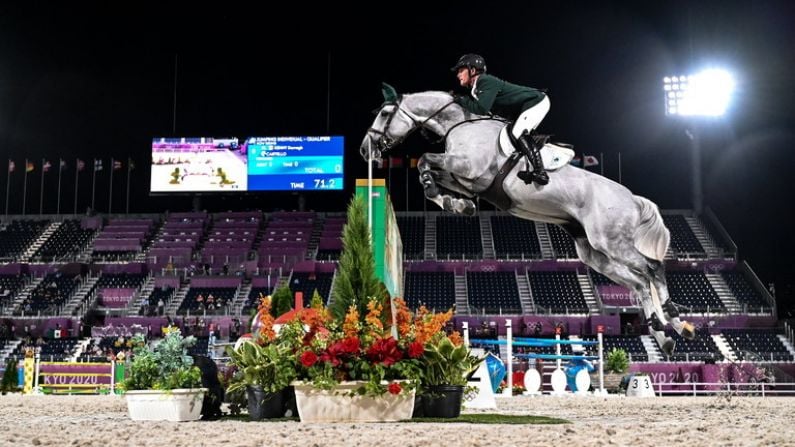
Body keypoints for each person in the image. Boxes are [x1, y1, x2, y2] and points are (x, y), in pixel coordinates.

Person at [451, 53, 550, 185]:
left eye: (461, 70)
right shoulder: (476, 89)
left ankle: (540, 172)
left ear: (472, 70)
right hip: (524, 107)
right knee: (511, 134)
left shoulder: (484, 81)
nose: (458, 75)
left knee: (517, 132)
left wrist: (461, 100)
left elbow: (481, 109)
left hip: (536, 102)